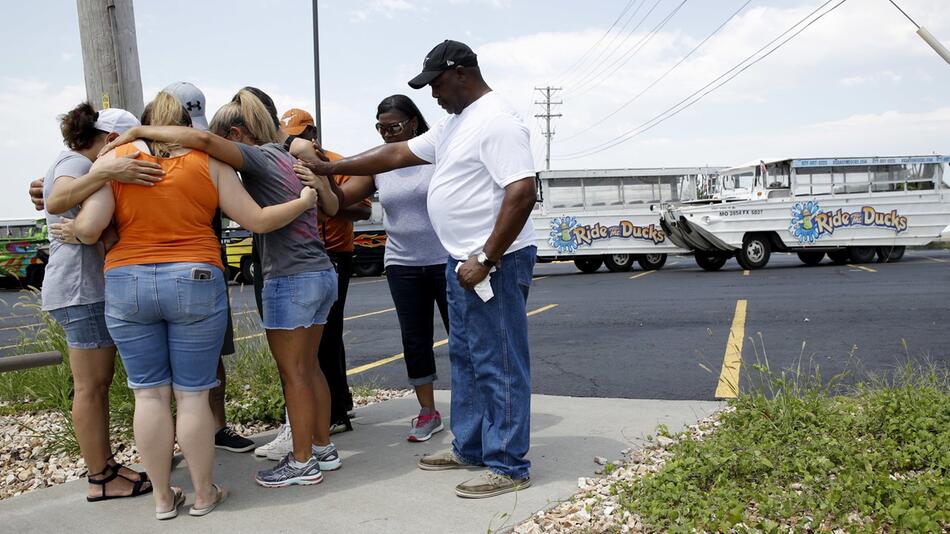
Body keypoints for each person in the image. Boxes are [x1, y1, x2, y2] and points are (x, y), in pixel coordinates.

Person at [302, 40, 538, 499]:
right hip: (461, 260)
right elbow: (393, 156)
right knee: (467, 359)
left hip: (493, 263)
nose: (432, 96)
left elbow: (522, 192)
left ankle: (509, 465)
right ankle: (470, 447)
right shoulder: (456, 124)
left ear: (463, 73)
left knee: (500, 361)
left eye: (437, 84)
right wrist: (330, 167)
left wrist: (487, 257)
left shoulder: (498, 122)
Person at [74, 91, 318, 517]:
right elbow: (257, 220)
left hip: (127, 279)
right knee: (192, 396)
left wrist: (67, 217)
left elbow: (91, 228)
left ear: (149, 120)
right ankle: (204, 493)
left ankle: (164, 499)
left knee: (148, 395)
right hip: (195, 276)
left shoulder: (118, 159)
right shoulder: (209, 161)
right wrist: (302, 203)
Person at [38, 103, 157, 503]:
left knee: (99, 385)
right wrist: (106, 171)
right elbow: (57, 200)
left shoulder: (74, 160)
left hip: (81, 288)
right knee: (90, 386)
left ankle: (106, 467)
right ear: (109, 140)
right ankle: (101, 478)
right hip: (80, 289)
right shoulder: (77, 161)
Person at [327, 95, 449, 442]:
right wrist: (318, 175)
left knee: (463, 336)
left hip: (445, 259)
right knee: (415, 340)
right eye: (380, 129)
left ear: (413, 123)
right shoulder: (380, 164)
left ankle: (475, 406)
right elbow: (338, 201)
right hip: (402, 263)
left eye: (393, 127)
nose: (386, 135)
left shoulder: (437, 155)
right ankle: (428, 412)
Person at [163, 81, 256, 453]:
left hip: (204, 267)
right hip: (165, 267)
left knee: (213, 355)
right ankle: (169, 439)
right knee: (160, 368)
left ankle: (217, 428)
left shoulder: (208, 159)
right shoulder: (137, 155)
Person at [286, 107, 369, 434]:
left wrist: (325, 202)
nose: (295, 141)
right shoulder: (284, 163)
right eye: (289, 136)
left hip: (335, 254)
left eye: (301, 134)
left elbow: (363, 210)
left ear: (313, 135)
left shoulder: (336, 162)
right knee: (320, 337)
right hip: (302, 257)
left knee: (328, 334)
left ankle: (335, 411)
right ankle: (341, 401)